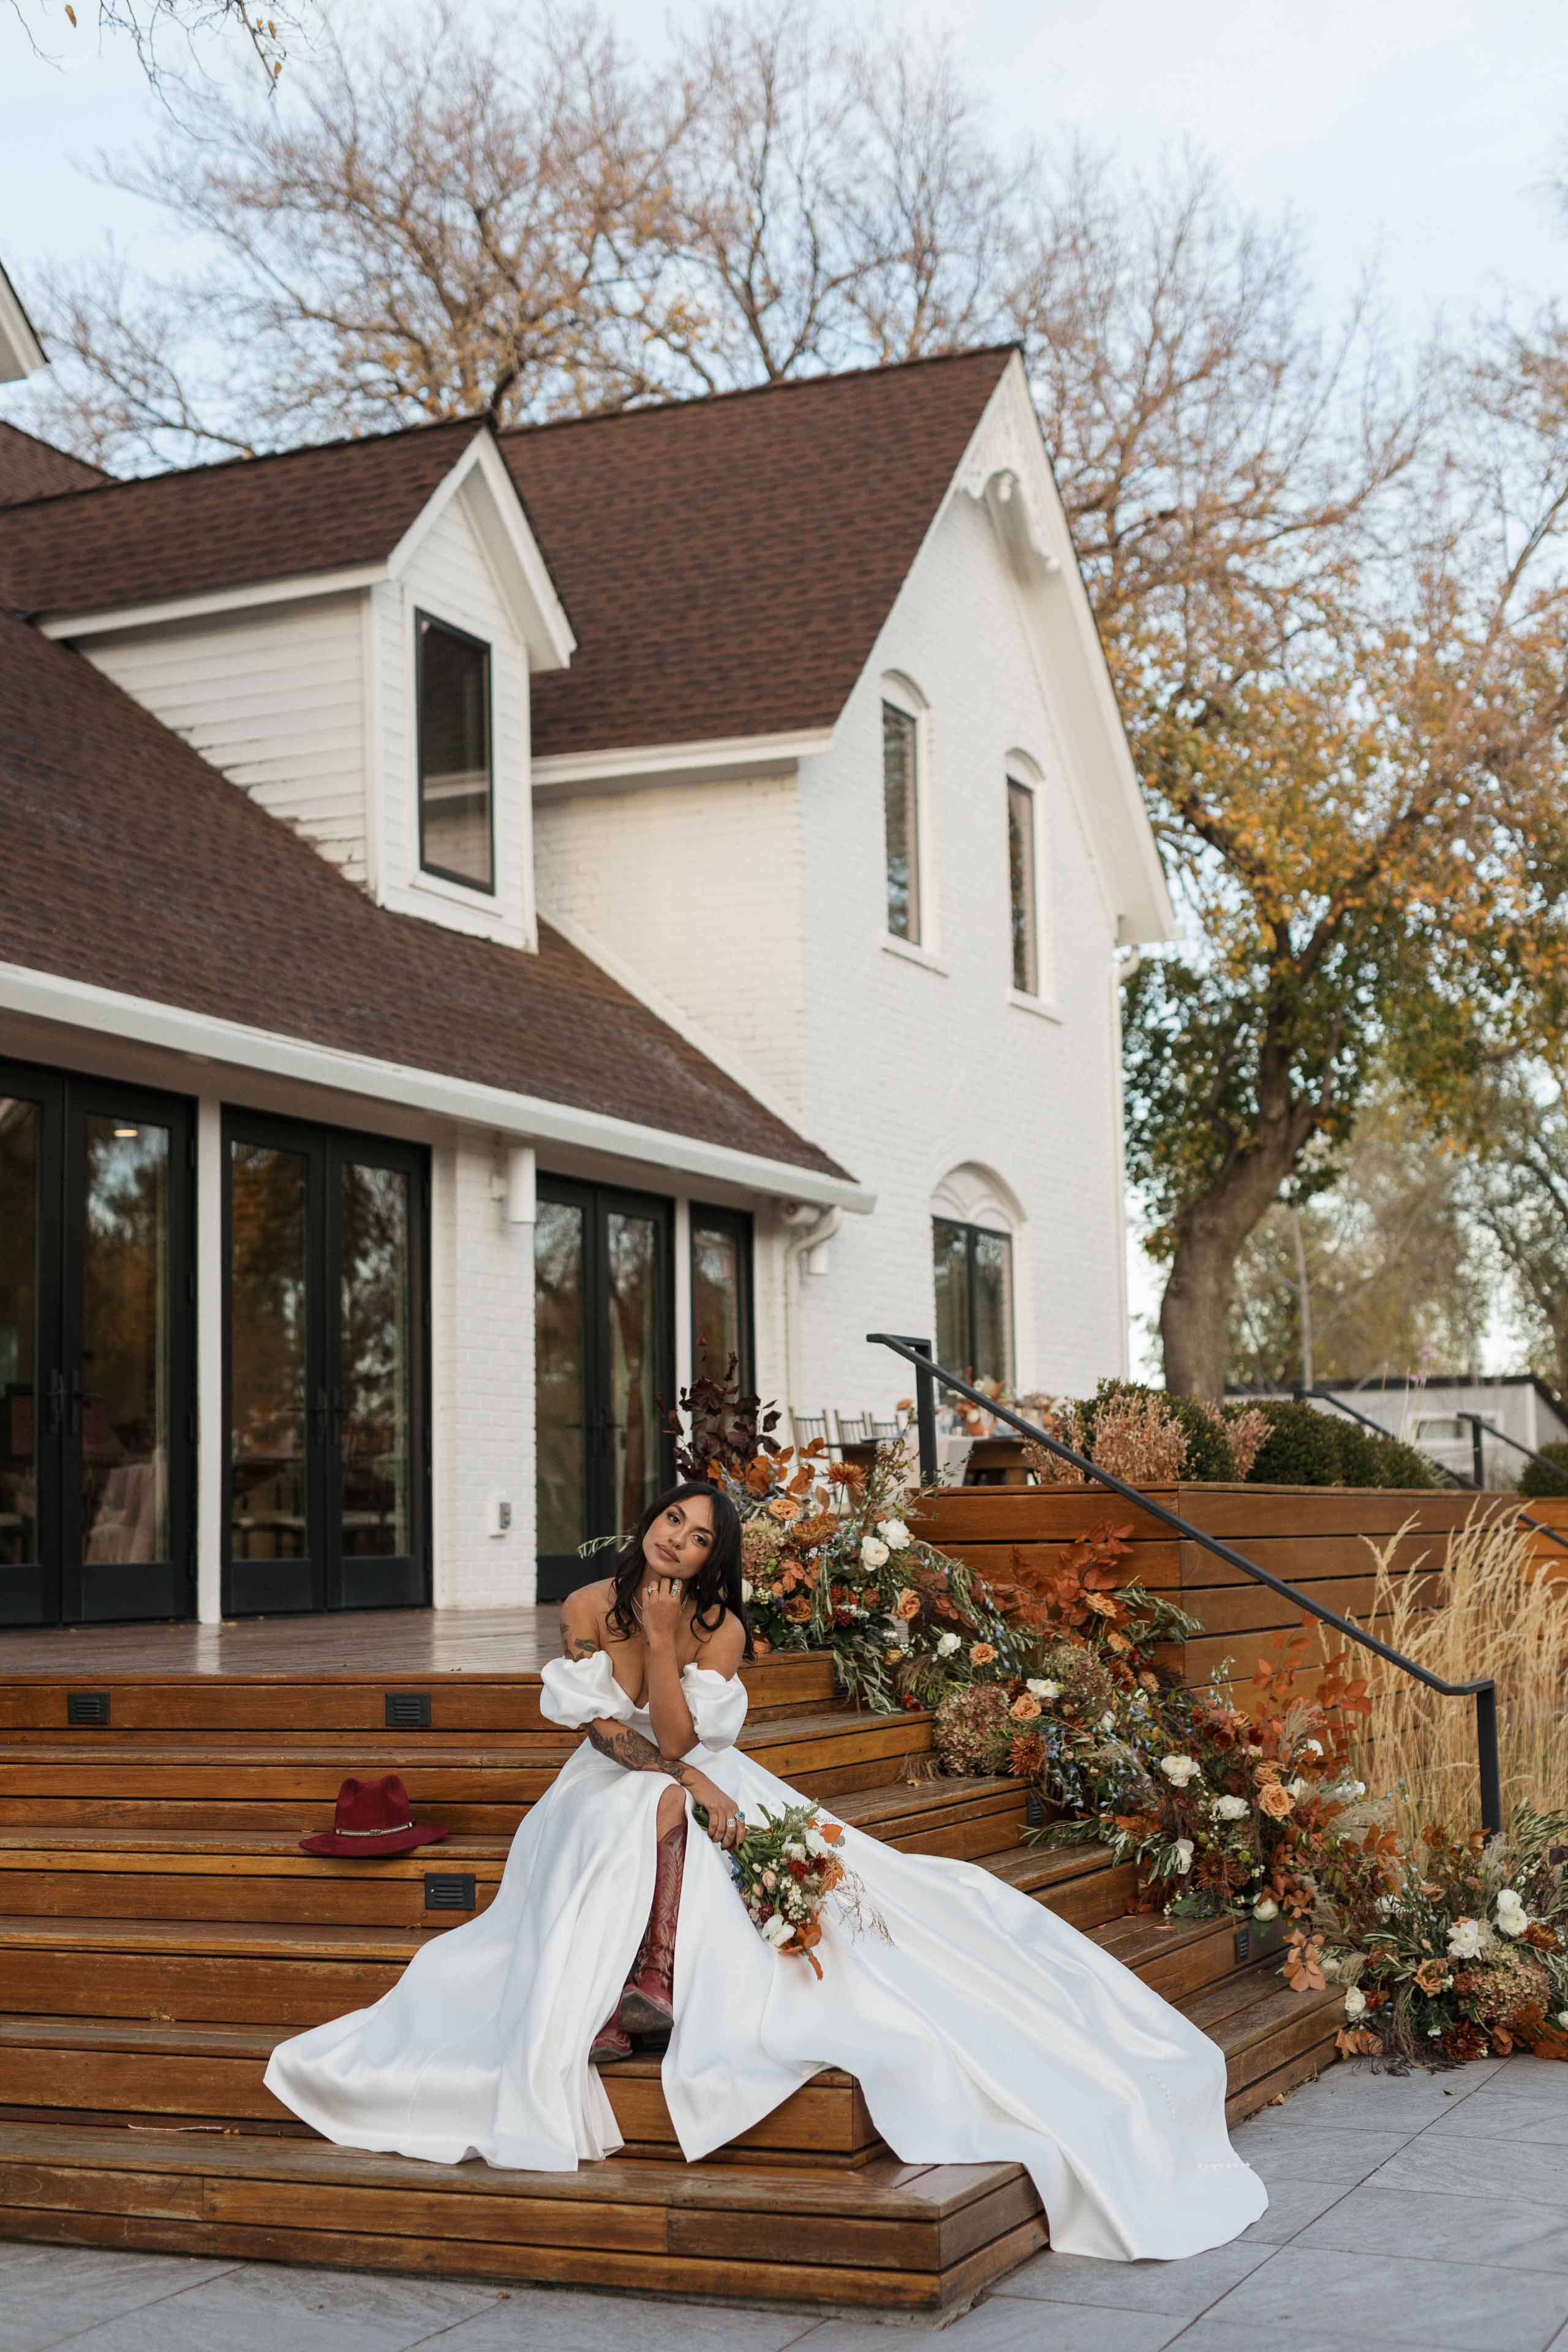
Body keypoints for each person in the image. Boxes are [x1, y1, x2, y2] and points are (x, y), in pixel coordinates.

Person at [265, 1480, 1267, 2262]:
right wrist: (688, 1781)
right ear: (648, 1523)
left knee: (713, 1820)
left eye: (701, 1539)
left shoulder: (721, 1630)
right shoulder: (579, 1606)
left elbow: (682, 1729)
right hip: (598, 1791)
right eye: (672, 1523)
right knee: (660, 1801)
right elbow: (612, 1736)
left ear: (715, 1558)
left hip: (699, 1764)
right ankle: (648, 1981)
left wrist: (664, 1647)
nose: (679, 1543)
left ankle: (650, 1986)